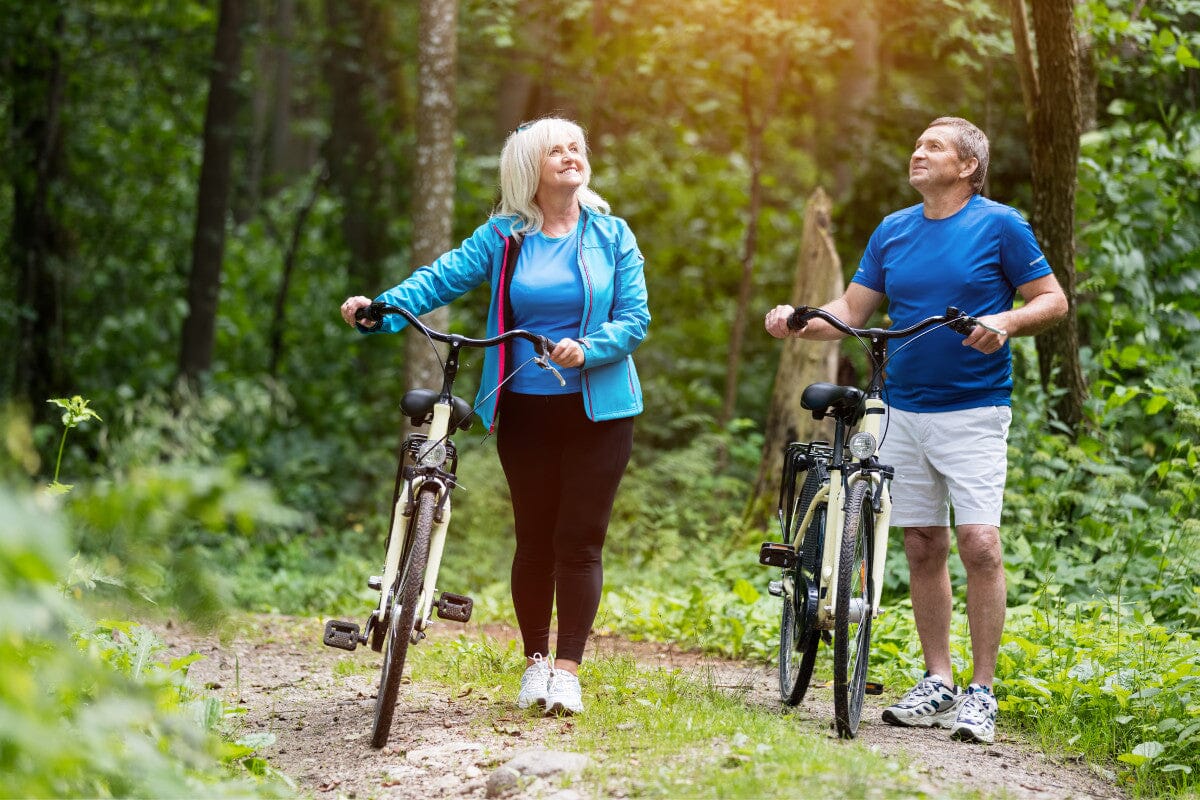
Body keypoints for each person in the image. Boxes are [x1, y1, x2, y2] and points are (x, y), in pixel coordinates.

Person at [765, 116, 1067, 744]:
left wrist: (1006, 322)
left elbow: (1052, 300)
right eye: (918, 143)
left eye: (935, 146)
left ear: (967, 167)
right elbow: (851, 311)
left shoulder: (1000, 225)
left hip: (975, 409)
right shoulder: (894, 230)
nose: (918, 152)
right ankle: (938, 680)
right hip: (899, 407)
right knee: (923, 544)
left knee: (979, 544)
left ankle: (981, 692)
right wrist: (799, 321)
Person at [340, 117, 649, 717]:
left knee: (580, 541)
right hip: (525, 406)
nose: (569, 157)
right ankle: (535, 665)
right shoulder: (504, 237)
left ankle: (568, 672)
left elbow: (635, 318)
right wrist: (383, 309)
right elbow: (441, 277)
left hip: (602, 409)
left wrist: (589, 347)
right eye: (554, 150)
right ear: (527, 168)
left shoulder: (612, 235)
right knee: (534, 539)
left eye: (575, 148)